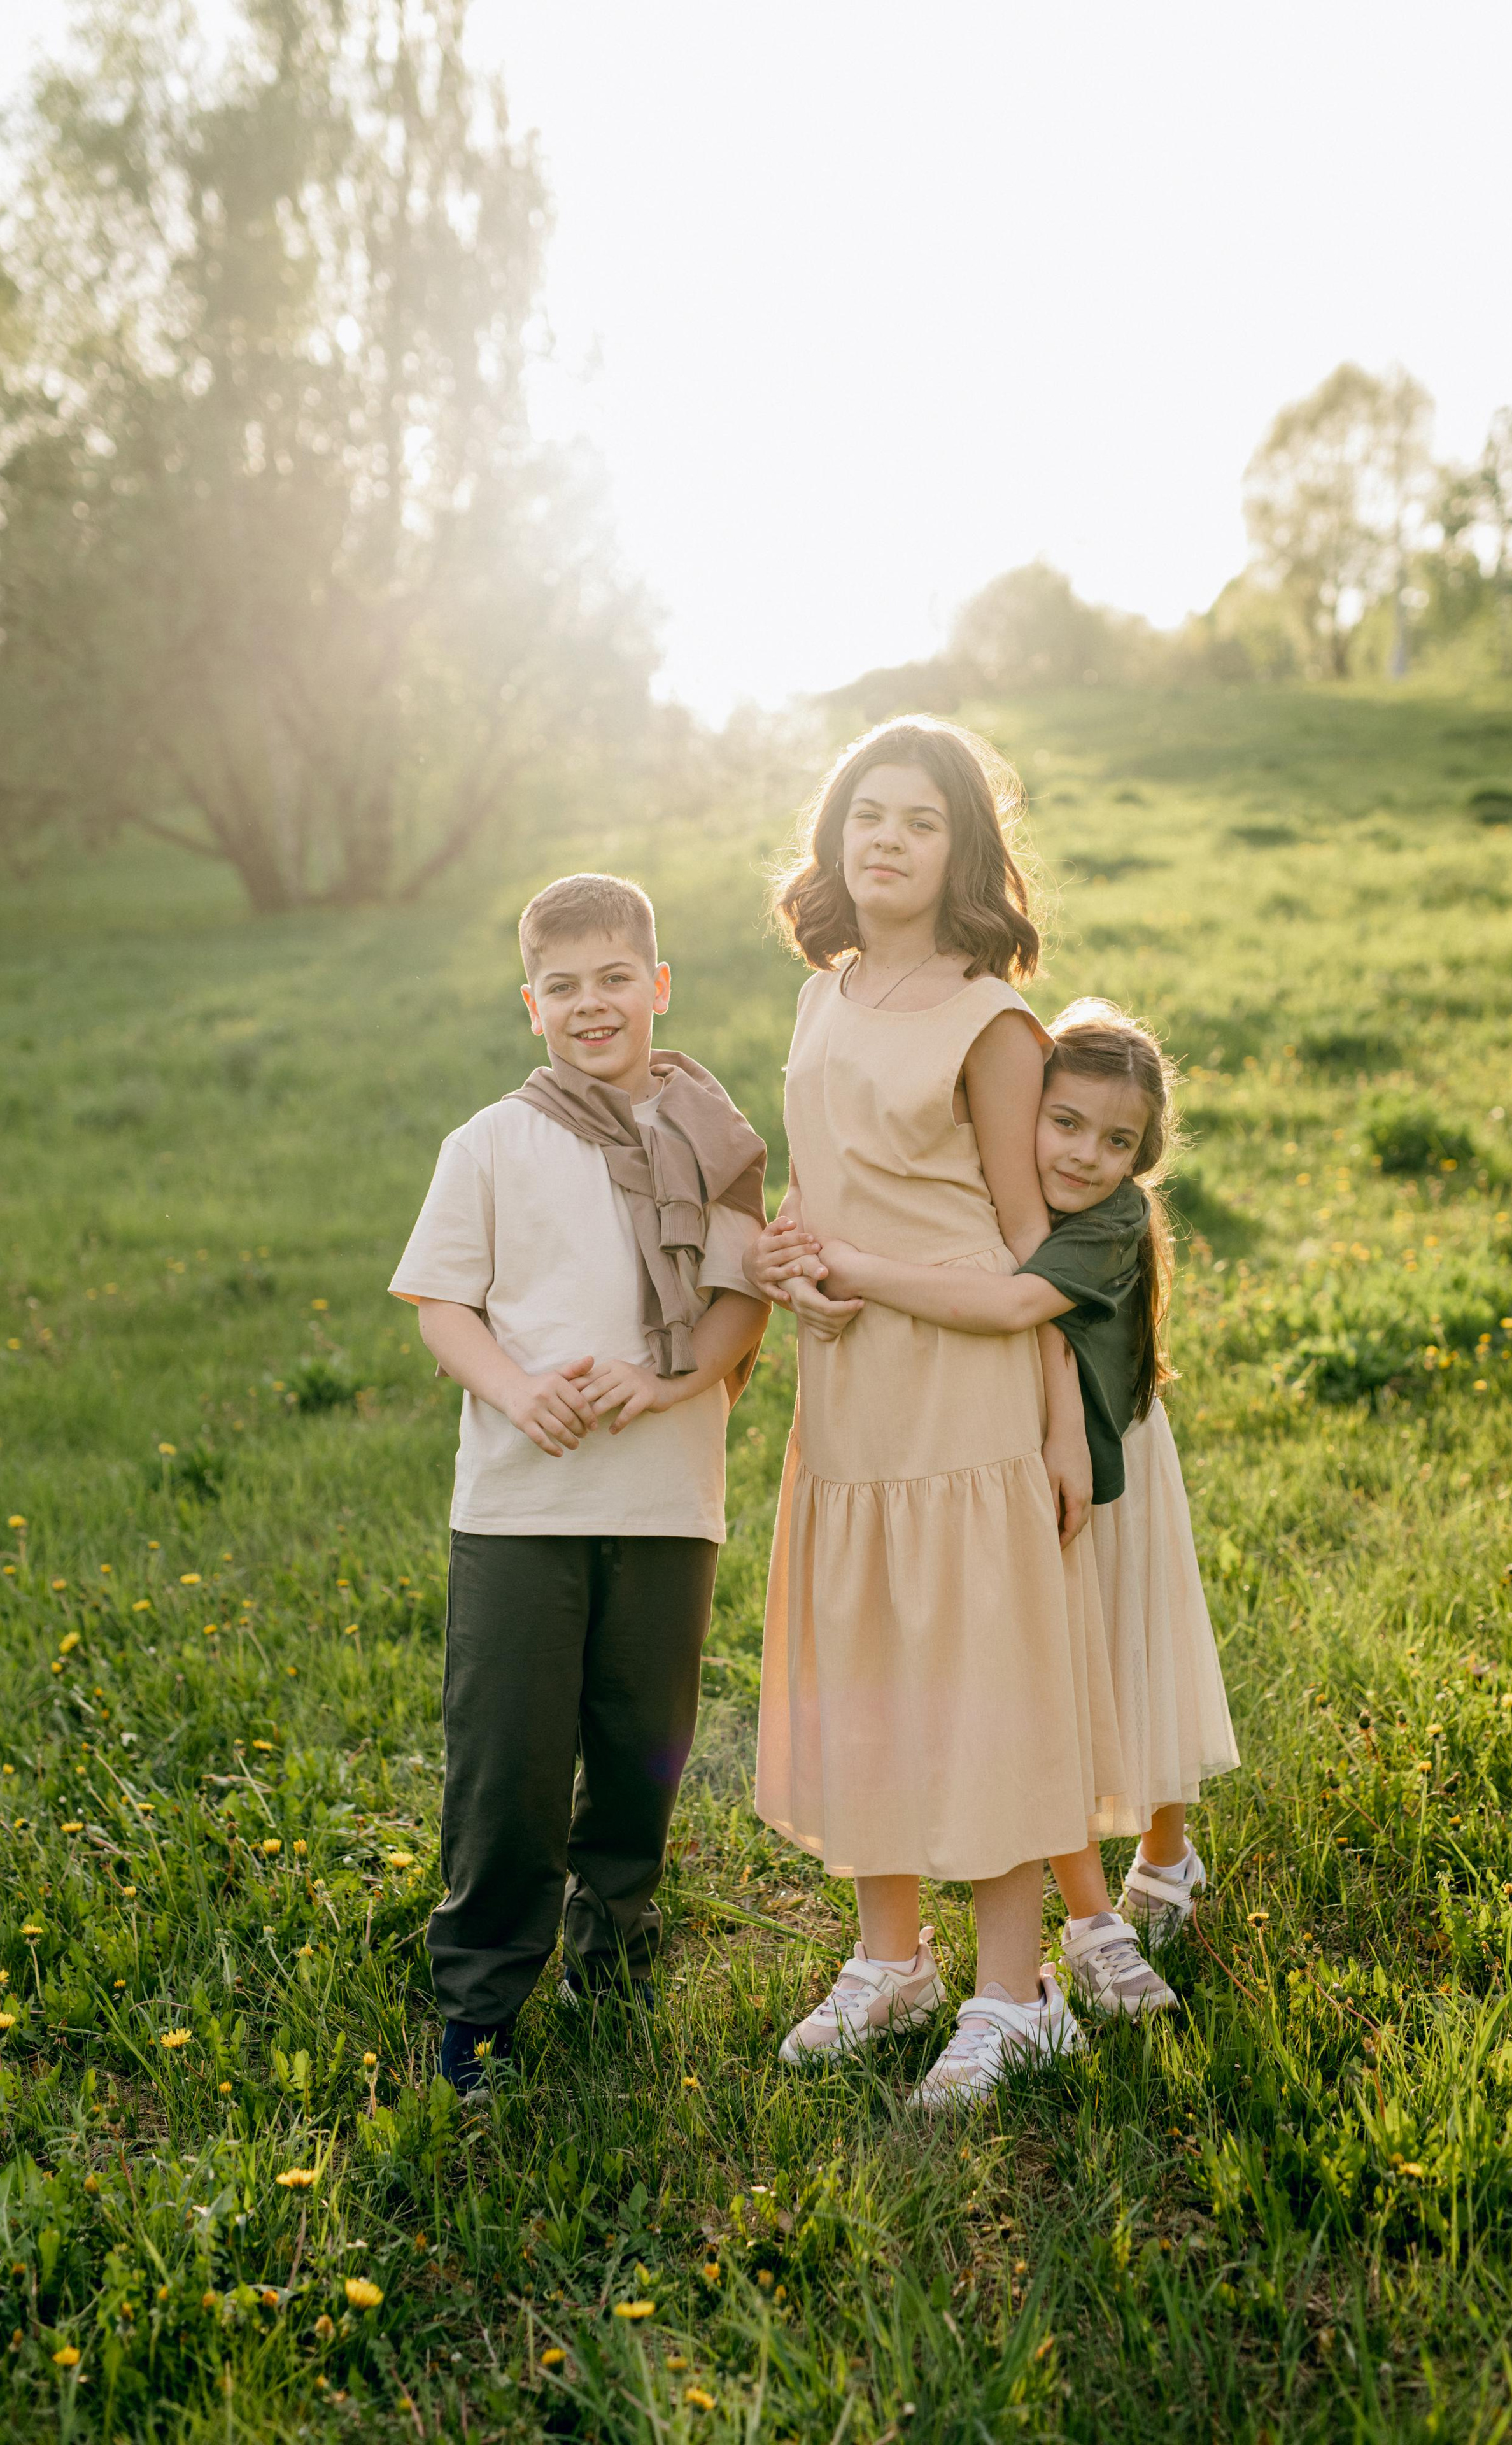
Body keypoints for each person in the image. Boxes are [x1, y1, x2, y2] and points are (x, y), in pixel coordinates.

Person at [747, 716, 1120, 2108]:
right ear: (833, 843)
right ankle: (889, 1959)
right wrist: (788, 1253)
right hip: (849, 1389)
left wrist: (1065, 1426)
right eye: (864, 817)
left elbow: (1037, 1251)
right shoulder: (820, 997)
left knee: (978, 1682)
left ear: (964, 846)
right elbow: (819, 1190)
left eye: (917, 820)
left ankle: (1016, 1996)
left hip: (966, 1383)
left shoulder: (992, 1019)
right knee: (866, 1665)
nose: (887, 841)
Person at [390, 873, 769, 2093]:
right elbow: (443, 1300)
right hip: (522, 1505)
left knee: (638, 1748)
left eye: (616, 979)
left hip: (665, 1500)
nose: (592, 1005)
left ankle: (615, 1968)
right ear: (531, 1005)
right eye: (564, 987)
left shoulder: (712, 1142)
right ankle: (482, 2001)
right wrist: (515, 1388)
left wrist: (660, 1386)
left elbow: (736, 1310)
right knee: (507, 1758)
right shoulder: (493, 1141)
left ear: (658, 987)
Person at [811, 999, 1240, 2019]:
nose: (1089, 1154)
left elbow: (1013, 1305)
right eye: (1066, 1123)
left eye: (1120, 1139)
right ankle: (1094, 1920)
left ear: (1145, 1154)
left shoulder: (1116, 1219)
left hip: (1117, 1465)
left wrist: (852, 1269)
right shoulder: (987, 1191)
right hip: (1031, 1473)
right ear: (1023, 1115)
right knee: (1056, 1688)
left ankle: (1162, 1864)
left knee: (1138, 1663)